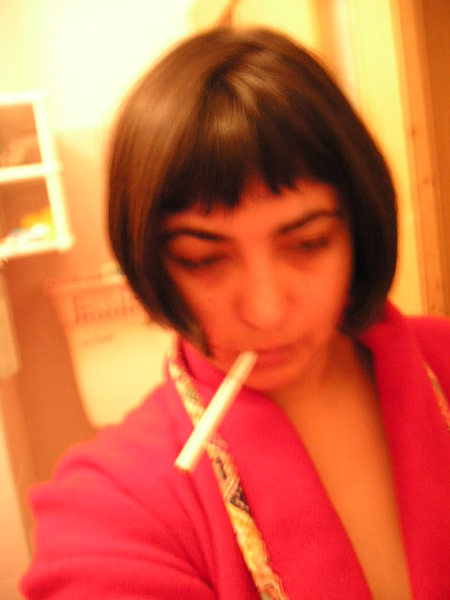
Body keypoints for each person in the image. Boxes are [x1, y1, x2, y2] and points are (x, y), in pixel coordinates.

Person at [21, 27, 450, 599]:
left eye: (308, 244)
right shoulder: (112, 500)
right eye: (203, 259)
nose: (266, 312)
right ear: (152, 259)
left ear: (358, 228)